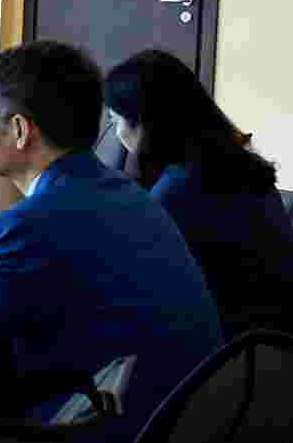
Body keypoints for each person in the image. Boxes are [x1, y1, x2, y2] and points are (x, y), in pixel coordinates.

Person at [0, 41, 220, 443]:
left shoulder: (28, 224)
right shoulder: (129, 195)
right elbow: (35, 288)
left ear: (20, 130)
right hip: (184, 432)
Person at [104, 48, 293, 338]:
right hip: (271, 343)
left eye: (115, 120)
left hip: (224, 350)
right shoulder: (244, 167)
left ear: (142, 124)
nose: (116, 134)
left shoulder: (177, 191)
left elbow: (136, 287)